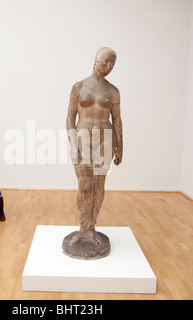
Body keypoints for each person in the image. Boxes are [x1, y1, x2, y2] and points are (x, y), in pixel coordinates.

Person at [66, 47, 123, 246]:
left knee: (98, 186)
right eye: (106, 61)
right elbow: (70, 118)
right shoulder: (79, 87)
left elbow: (117, 120)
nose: (109, 66)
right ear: (96, 59)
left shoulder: (113, 91)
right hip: (82, 140)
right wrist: (73, 143)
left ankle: (91, 229)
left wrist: (120, 146)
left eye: (112, 64)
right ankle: (83, 229)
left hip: (105, 140)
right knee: (85, 186)